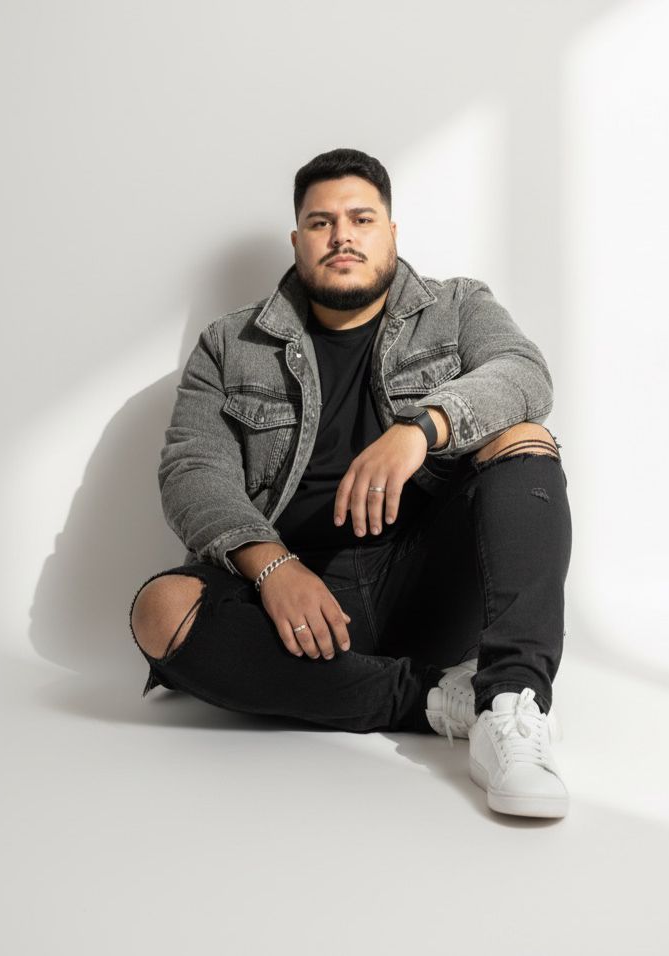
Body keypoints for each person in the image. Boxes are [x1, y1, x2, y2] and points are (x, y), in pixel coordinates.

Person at [128, 147, 573, 819]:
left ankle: (513, 704)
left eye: (361, 218)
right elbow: (193, 472)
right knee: (158, 611)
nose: (341, 236)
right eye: (321, 222)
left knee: (524, 436)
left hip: (426, 579)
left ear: (391, 233)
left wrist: (423, 428)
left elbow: (525, 374)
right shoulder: (230, 343)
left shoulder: (457, 307)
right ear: (298, 240)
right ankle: (434, 700)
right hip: (299, 604)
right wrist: (273, 566)